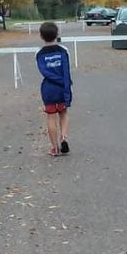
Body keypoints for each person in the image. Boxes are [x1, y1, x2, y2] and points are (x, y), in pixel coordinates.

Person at [36, 21, 72, 156]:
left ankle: (54, 147)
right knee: (63, 113)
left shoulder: (39, 54)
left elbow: (43, 71)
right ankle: (63, 137)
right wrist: (66, 85)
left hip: (48, 89)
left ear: (41, 36)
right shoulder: (64, 51)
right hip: (63, 88)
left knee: (51, 117)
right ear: (57, 34)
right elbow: (66, 71)